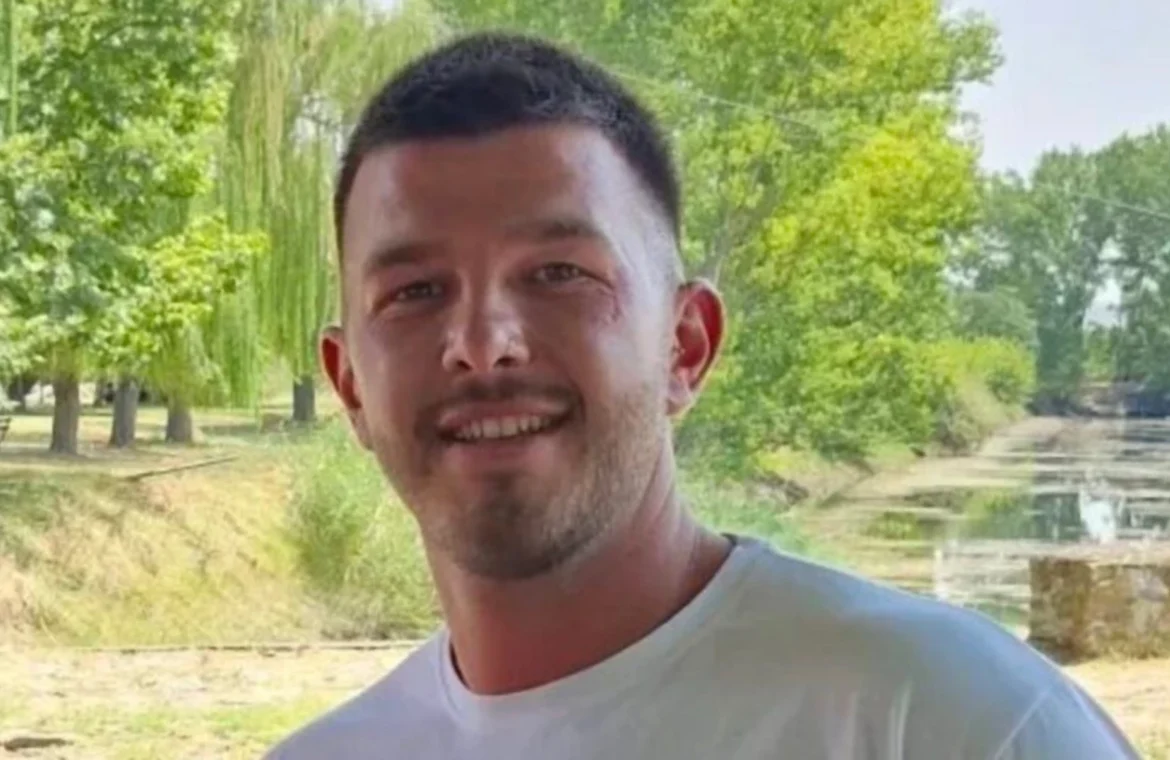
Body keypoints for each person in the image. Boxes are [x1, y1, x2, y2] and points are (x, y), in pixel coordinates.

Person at [267, 32, 1138, 760]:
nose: (483, 341)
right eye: (414, 291)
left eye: (559, 273)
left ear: (686, 346)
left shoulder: (951, 719)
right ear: (350, 385)